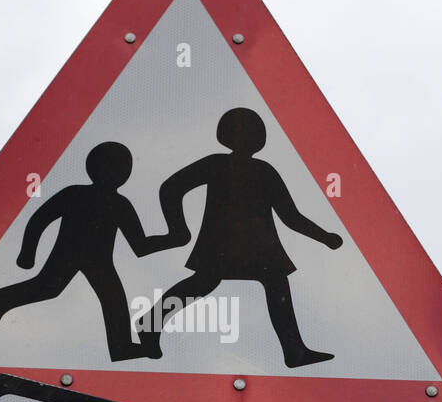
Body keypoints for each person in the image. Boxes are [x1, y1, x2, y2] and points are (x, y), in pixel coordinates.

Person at [133, 107, 343, 367]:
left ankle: (294, 351)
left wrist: (324, 237)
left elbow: (290, 216)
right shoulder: (217, 163)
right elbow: (171, 188)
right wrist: (177, 229)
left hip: (257, 245)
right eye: (244, 132)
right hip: (223, 243)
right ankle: (150, 324)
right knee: (207, 282)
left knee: (264, 282)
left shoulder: (265, 171)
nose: (250, 138)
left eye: (255, 133)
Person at [0, 142, 164, 362]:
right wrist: (27, 253)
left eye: (124, 168)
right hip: (68, 253)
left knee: (113, 299)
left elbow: (140, 245)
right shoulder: (75, 193)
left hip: (100, 261)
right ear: (95, 168)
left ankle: (121, 347)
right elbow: (40, 218)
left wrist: (172, 239)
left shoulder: (120, 204)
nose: (119, 173)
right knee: (48, 288)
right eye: (112, 166)